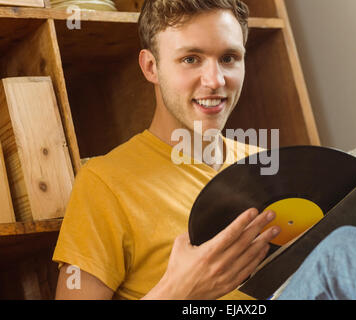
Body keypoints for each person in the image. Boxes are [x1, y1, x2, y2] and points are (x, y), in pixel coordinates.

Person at [53, 0, 280, 300]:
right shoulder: (104, 183)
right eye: (191, 59)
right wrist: (180, 290)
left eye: (228, 58)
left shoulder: (266, 163)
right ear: (151, 67)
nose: (215, 80)